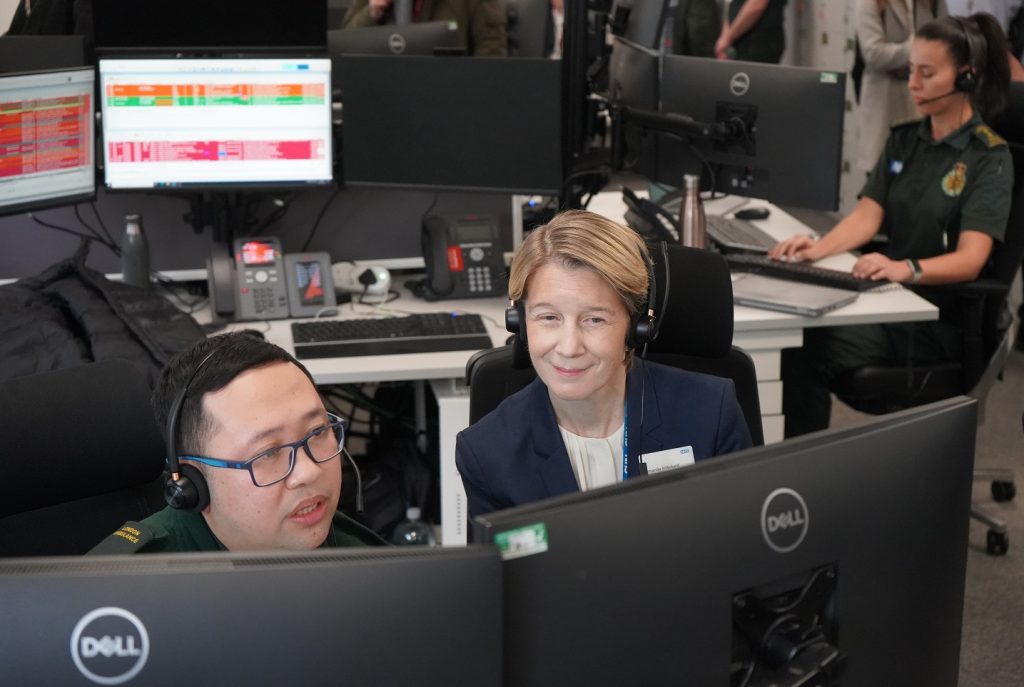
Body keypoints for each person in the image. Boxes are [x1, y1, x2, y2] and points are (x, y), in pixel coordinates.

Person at [770, 13, 1014, 438]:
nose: (913, 84)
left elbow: (971, 260)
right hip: (890, 301)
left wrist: (909, 269)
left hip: (939, 319)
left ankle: (795, 481)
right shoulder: (905, 138)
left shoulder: (988, 158)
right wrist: (818, 247)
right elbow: (868, 214)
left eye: (928, 73)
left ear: (967, 78)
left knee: (804, 348)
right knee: (797, 330)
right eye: (911, 71)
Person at [456, 210, 752, 518]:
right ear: (519, 322)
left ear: (636, 325)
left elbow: (746, 548)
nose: (569, 347)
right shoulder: (487, 453)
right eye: (548, 318)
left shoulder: (710, 413)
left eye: (594, 319)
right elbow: (504, 567)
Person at [91, 331, 384, 553]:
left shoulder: (362, 559)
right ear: (193, 484)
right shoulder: (121, 594)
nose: (308, 472)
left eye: (318, 432)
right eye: (268, 453)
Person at [856, 0, 948, 176]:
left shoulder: (934, 3)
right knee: (883, 185)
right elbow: (874, 54)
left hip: (923, 115)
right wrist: (919, 49)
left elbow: (945, 42)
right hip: (884, 112)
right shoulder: (870, 3)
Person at [341, 0, 508, 56]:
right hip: (386, 96)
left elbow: (491, 50)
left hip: (450, 98)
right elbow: (343, 45)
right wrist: (371, 12)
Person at [714, 0, 788, 63]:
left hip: (759, 43)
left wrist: (727, 38)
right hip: (739, 42)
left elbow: (757, 4)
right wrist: (726, 36)